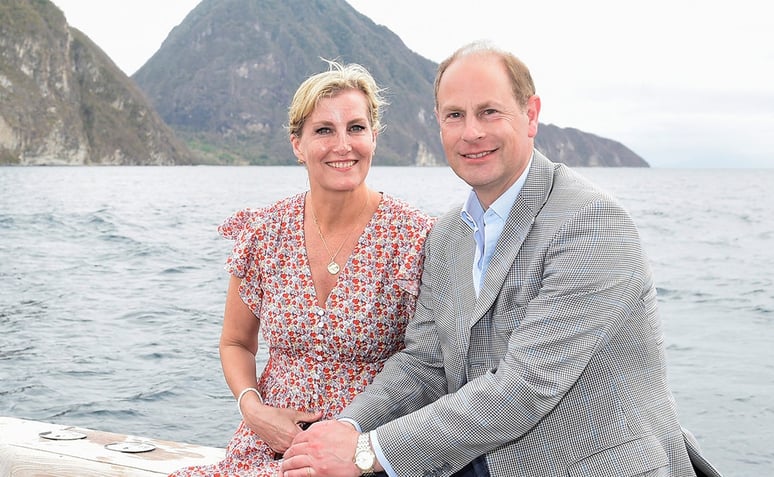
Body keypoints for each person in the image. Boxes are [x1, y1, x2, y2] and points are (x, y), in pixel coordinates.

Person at [280, 41, 723, 477]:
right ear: (438, 123)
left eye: (489, 112)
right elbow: (425, 362)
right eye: (455, 115)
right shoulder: (449, 234)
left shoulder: (591, 222)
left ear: (530, 116)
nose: (472, 132)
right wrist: (345, 427)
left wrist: (363, 453)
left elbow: (525, 386)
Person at [169, 60, 434, 477]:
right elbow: (236, 343)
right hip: (269, 445)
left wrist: (365, 447)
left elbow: (430, 364)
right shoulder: (264, 232)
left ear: (375, 137)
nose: (342, 144)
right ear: (298, 144)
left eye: (356, 128)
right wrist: (254, 410)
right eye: (324, 130)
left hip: (367, 454)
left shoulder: (416, 238)